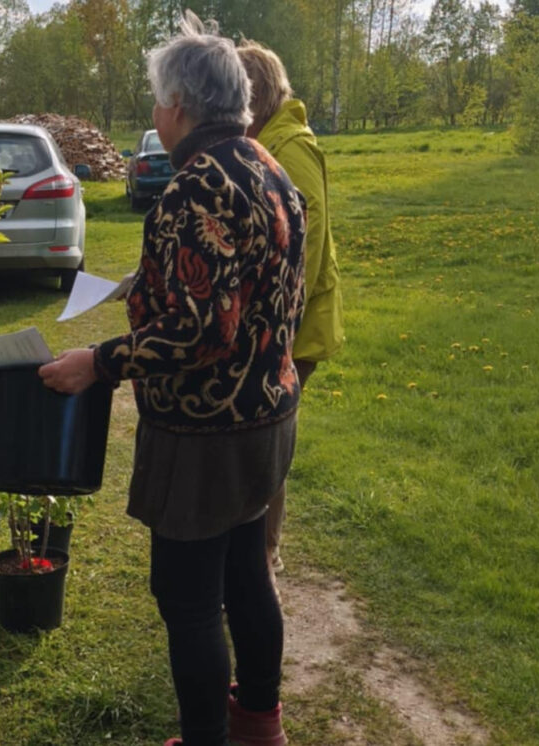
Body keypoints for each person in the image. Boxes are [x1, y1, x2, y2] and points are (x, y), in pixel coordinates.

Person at [39, 13, 305, 746]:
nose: (156, 112)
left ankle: (207, 736)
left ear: (180, 106)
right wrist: (151, 283)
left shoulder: (194, 188)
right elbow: (246, 289)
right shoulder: (268, 166)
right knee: (247, 575)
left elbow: (200, 332)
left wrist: (99, 363)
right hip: (268, 415)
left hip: (205, 433)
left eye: (158, 98)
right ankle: (259, 722)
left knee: (189, 602)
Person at [237, 40, 344, 588]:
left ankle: (266, 556)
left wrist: (279, 325)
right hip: (283, 322)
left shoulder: (291, 147)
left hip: (294, 327)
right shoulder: (270, 140)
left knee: (268, 436)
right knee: (264, 433)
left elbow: (307, 242)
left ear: (252, 97)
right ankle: (258, 554)